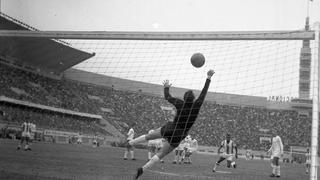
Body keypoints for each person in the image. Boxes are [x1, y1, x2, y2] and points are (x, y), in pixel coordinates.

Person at [129, 69, 214, 179]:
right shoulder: (196, 105)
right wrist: (208, 78)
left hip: (171, 127)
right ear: (193, 99)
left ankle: (131, 142)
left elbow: (167, 97)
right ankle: (143, 169)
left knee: (149, 136)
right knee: (161, 154)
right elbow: (203, 93)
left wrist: (166, 87)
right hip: (180, 134)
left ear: (184, 98)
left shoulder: (180, 103)